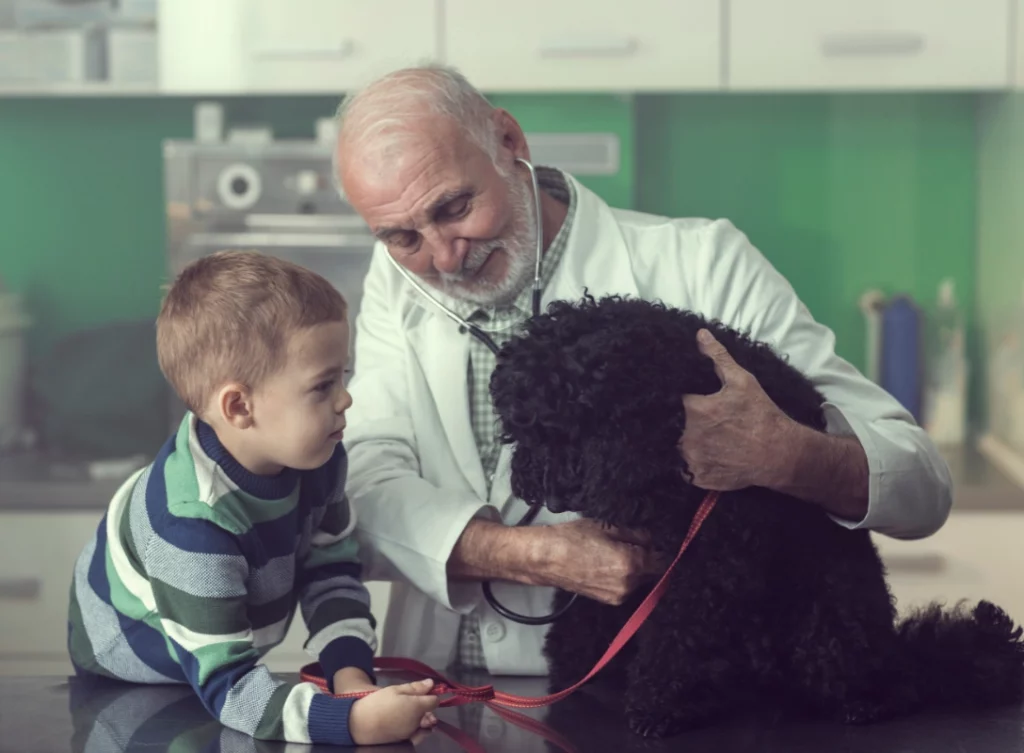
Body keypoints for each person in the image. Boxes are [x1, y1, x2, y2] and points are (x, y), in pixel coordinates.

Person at [333, 65, 954, 677]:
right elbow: (363, 475)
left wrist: (788, 455)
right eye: (402, 237)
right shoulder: (398, 278)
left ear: (508, 141)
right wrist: (528, 555)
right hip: (435, 686)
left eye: (456, 207)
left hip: (652, 691)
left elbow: (921, 486)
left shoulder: (703, 264)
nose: (443, 256)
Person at [66, 250, 439, 746]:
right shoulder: (192, 528)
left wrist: (351, 679)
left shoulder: (319, 457)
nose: (345, 398)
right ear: (240, 407)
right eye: (323, 384)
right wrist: (352, 724)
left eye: (343, 376)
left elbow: (330, 573)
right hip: (134, 669)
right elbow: (230, 688)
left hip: (216, 647)